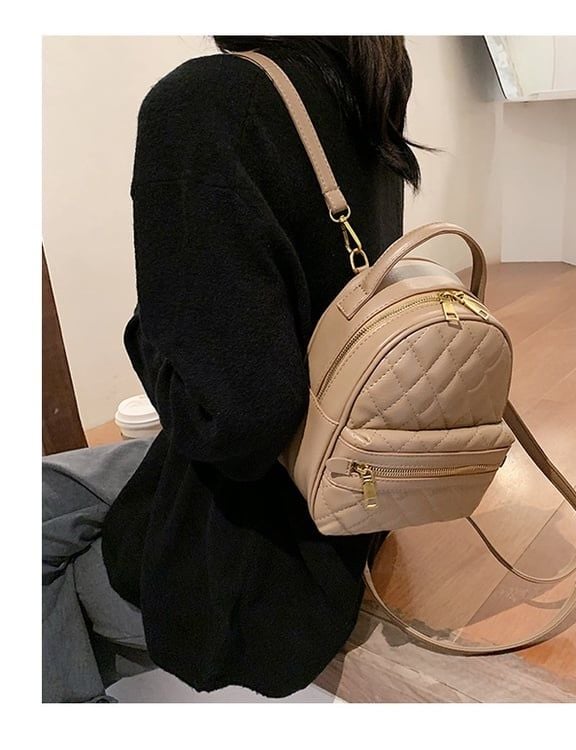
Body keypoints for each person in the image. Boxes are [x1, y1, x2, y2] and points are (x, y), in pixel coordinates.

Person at [42, 36, 427, 702]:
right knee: (51, 486)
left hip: (252, 555)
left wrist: (148, 333)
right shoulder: (368, 82)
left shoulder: (206, 102)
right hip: (353, 492)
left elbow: (238, 423)